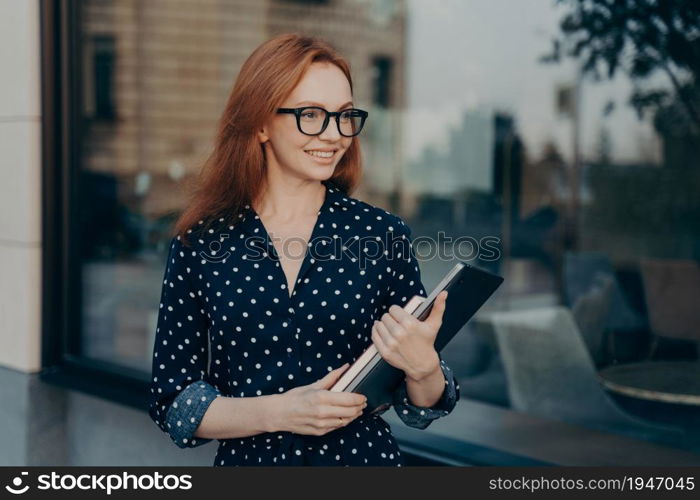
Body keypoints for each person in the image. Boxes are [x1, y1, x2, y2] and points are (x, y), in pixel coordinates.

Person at [148, 33, 460, 466]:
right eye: (311, 114)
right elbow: (174, 404)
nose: (334, 135)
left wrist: (424, 367)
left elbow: (422, 408)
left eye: (345, 116)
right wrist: (280, 411)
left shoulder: (382, 234)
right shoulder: (200, 245)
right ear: (260, 123)